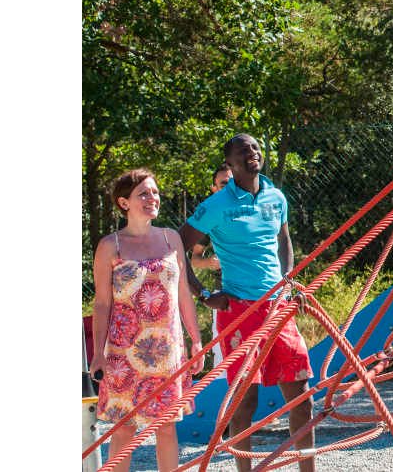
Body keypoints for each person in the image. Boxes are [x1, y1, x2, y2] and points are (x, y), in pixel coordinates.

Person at [182, 135, 313, 472]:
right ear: (231, 161)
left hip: (279, 307)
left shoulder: (276, 196)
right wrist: (204, 294)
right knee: (244, 403)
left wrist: (287, 279)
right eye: (243, 150)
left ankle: (308, 469)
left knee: (301, 396)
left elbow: (284, 239)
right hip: (239, 310)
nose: (252, 153)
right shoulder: (216, 206)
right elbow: (176, 248)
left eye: (255, 148)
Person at [91, 169, 196, 471]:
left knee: (166, 426)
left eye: (155, 192)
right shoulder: (111, 246)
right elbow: (101, 303)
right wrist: (98, 353)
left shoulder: (171, 238)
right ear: (124, 203)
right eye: (144, 194)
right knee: (124, 427)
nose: (153, 198)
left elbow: (184, 294)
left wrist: (195, 339)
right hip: (124, 351)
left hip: (167, 349)